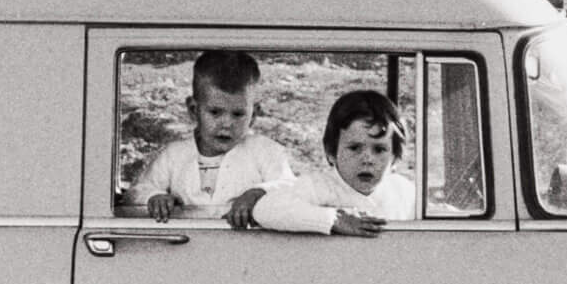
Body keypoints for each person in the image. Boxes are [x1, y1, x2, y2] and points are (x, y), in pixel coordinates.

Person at [132, 50, 294, 221]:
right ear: (194, 110)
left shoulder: (265, 151)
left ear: (253, 116)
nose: (227, 124)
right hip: (186, 244)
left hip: (246, 245)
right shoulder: (173, 155)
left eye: (238, 114)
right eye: (215, 112)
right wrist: (153, 197)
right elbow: (137, 192)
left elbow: (291, 188)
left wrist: (258, 193)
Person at [237, 88, 416, 238]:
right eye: (354, 148)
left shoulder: (404, 191)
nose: (367, 159)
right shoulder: (319, 186)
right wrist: (333, 219)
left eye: (379, 150)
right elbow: (265, 209)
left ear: (395, 157)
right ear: (331, 153)